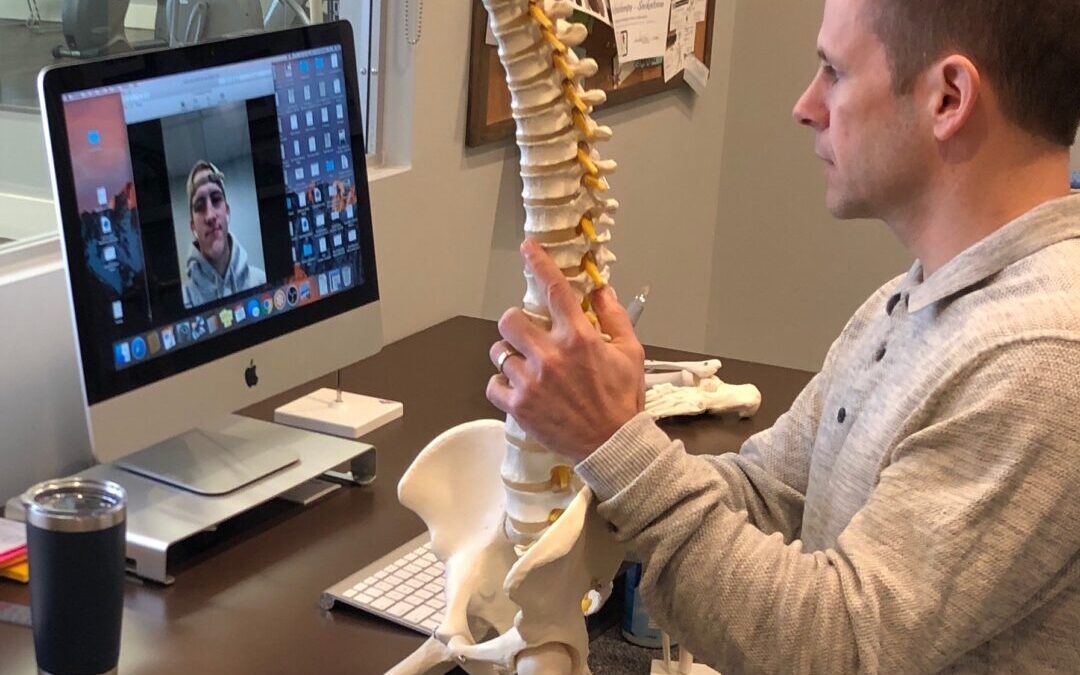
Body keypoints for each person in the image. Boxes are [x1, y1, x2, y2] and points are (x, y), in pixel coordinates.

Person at [486, 0, 1080, 671]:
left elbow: (839, 647)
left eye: (833, 72)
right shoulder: (912, 300)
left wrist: (616, 446)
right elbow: (772, 495)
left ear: (949, 97)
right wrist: (600, 445)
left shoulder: (1039, 365)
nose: (805, 105)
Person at [181, 160, 266, 307]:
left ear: (227, 211)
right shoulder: (185, 299)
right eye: (200, 207)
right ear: (193, 226)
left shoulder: (261, 281)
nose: (210, 216)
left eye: (216, 199)